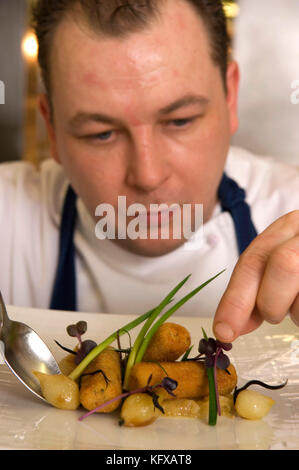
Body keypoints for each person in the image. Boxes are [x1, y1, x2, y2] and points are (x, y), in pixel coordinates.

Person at [0, 0, 298, 344]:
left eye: (180, 121)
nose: (148, 176)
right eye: (101, 134)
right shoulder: (10, 219)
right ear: (51, 127)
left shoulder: (291, 204)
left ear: (230, 96)